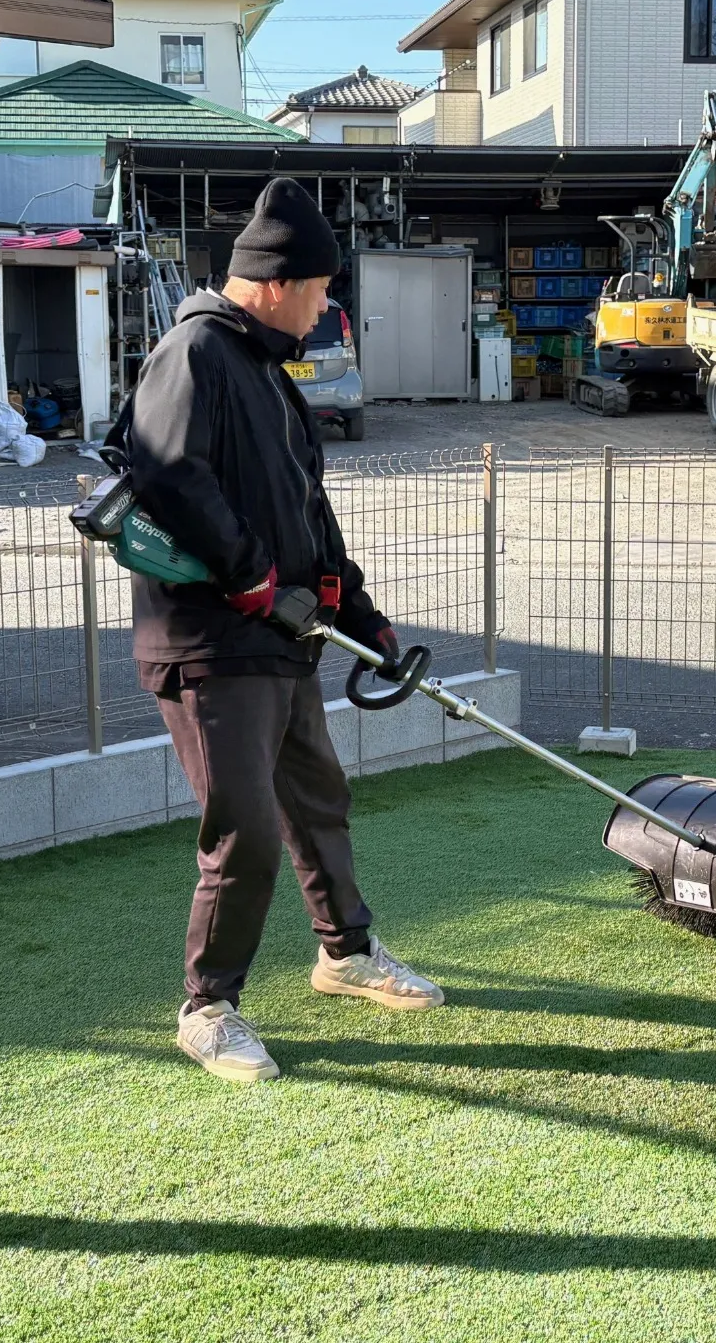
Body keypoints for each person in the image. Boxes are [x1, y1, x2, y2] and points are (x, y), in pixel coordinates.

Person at [121, 177, 444, 1085]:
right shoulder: (195, 356)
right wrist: (254, 579)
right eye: (320, 288)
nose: (329, 305)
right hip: (210, 643)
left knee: (315, 799)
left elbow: (311, 513)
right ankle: (208, 1006)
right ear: (273, 281)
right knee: (248, 828)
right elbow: (168, 477)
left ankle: (346, 954)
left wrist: (360, 611)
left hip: (284, 640)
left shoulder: (267, 371)